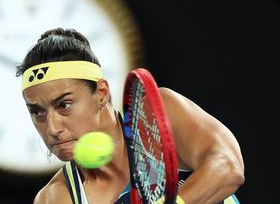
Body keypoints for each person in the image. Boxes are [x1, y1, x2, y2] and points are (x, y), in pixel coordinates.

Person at [16, 28, 245, 204]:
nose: (52, 128)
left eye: (64, 105)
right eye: (37, 112)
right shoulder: (55, 198)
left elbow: (228, 167)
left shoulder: (156, 115)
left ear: (102, 93)